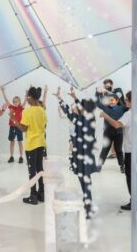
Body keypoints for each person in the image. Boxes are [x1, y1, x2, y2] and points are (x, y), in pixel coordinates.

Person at [101, 91, 137, 211]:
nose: (125, 102)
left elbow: (117, 125)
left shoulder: (129, 114)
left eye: (127, 100)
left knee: (131, 176)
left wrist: (105, 115)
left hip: (132, 150)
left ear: (132, 101)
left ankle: (136, 203)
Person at [56, 87, 98, 219]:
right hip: (81, 156)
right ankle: (87, 205)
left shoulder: (86, 120)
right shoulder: (84, 119)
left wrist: (72, 98)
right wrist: (62, 99)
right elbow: (70, 112)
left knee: (86, 183)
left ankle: (89, 208)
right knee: (84, 182)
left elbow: (70, 112)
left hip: (84, 158)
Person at [10, 86, 47, 205]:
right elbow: (45, 126)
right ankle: (42, 194)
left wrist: (13, 119)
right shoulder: (42, 109)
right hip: (41, 143)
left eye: (27, 96)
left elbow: (24, 129)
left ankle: (33, 196)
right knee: (40, 169)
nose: (26, 98)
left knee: (32, 171)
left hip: (31, 144)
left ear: (30, 97)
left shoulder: (28, 111)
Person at [96, 91, 128, 173]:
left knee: (119, 150)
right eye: (109, 100)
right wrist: (98, 93)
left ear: (117, 101)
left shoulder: (122, 108)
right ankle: (99, 165)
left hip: (119, 133)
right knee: (105, 149)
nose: (110, 102)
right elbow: (97, 102)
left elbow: (130, 106)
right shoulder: (105, 108)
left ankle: (122, 166)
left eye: (112, 100)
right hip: (107, 133)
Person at [1, 87, 27, 163]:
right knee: (12, 141)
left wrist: (26, 96)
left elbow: (25, 102)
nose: (15, 103)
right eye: (14, 101)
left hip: (19, 127)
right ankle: (11, 156)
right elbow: (6, 100)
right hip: (12, 127)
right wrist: (3, 92)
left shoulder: (21, 108)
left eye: (17, 101)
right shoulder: (11, 107)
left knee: (20, 142)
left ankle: (21, 156)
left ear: (19, 102)